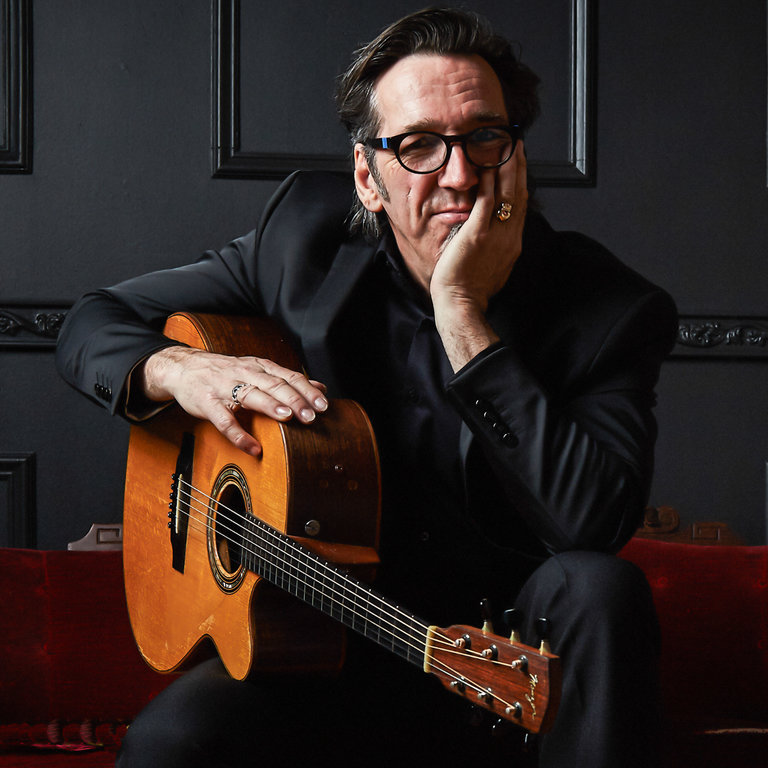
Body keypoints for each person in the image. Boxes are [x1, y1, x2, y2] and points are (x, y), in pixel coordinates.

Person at [56, 8, 677, 767]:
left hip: (500, 673)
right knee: (169, 744)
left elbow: (591, 525)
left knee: (603, 589)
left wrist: (462, 315)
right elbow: (94, 320)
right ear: (367, 177)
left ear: (516, 156)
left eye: (485, 137)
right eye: (418, 145)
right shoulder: (303, 241)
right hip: (314, 649)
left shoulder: (609, 309)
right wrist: (180, 369)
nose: (458, 174)